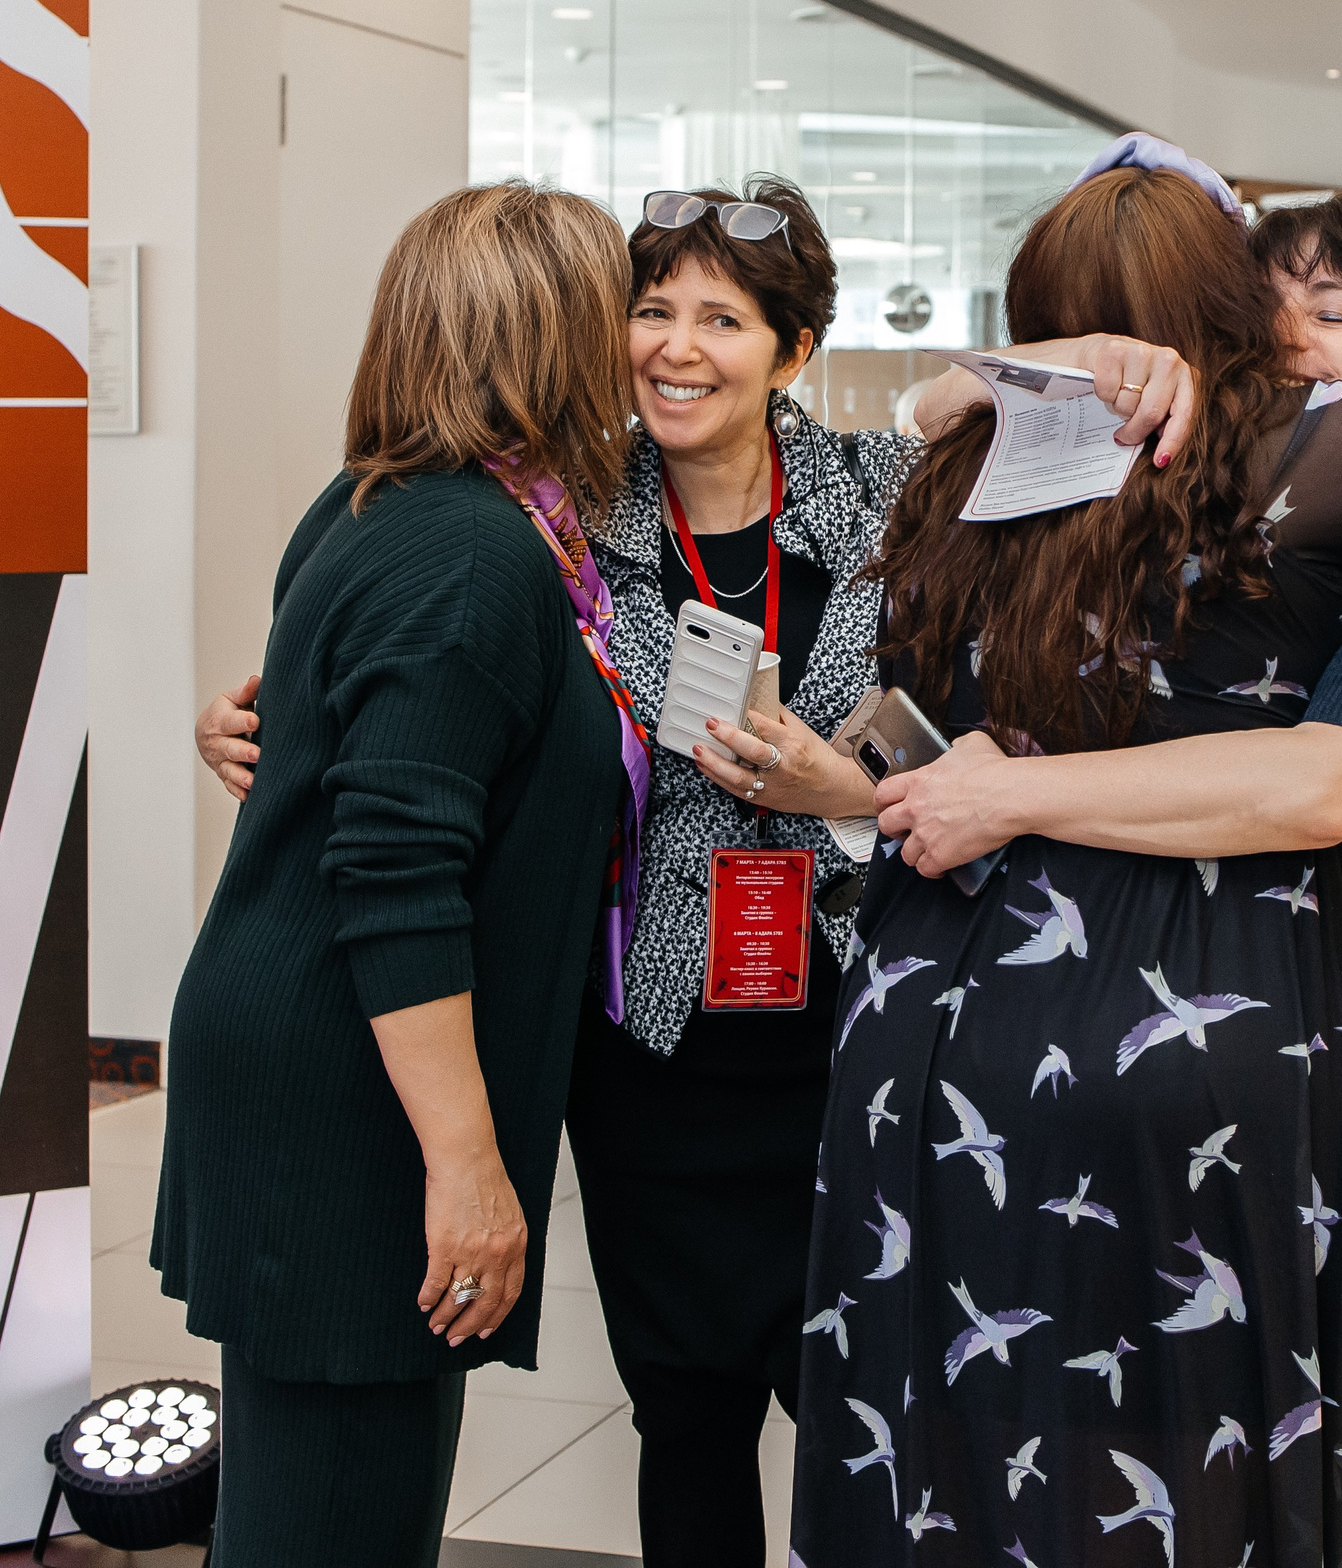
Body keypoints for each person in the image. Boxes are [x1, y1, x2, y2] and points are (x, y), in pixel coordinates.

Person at [191, 173, 1194, 1568]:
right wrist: (266, 720)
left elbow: (1001, 699)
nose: (676, 344)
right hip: (645, 1041)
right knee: (688, 1413)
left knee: (876, 1409)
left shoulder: (891, 497)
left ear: (792, 349)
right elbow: (394, 681)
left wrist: (849, 795)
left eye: (723, 317)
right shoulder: (553, 516)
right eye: (649, 308)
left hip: (858, 1032)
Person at [790, 146, 1342, 1566]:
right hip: (1209, 999)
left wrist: (990, 377)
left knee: (953, 1444)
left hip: (932, 1013)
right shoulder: (1292, 463)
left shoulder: (949, 479)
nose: (1298, 343)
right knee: (1197, 1434)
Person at [153, 182, 646, 1567]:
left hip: (310, 1047)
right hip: (352, 1089)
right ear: (558, 339)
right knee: (338, 1510)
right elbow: (396, 876)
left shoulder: (389, 502)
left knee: (323, 1495)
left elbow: (329, 746)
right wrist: (474, 1168)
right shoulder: (474, 556)